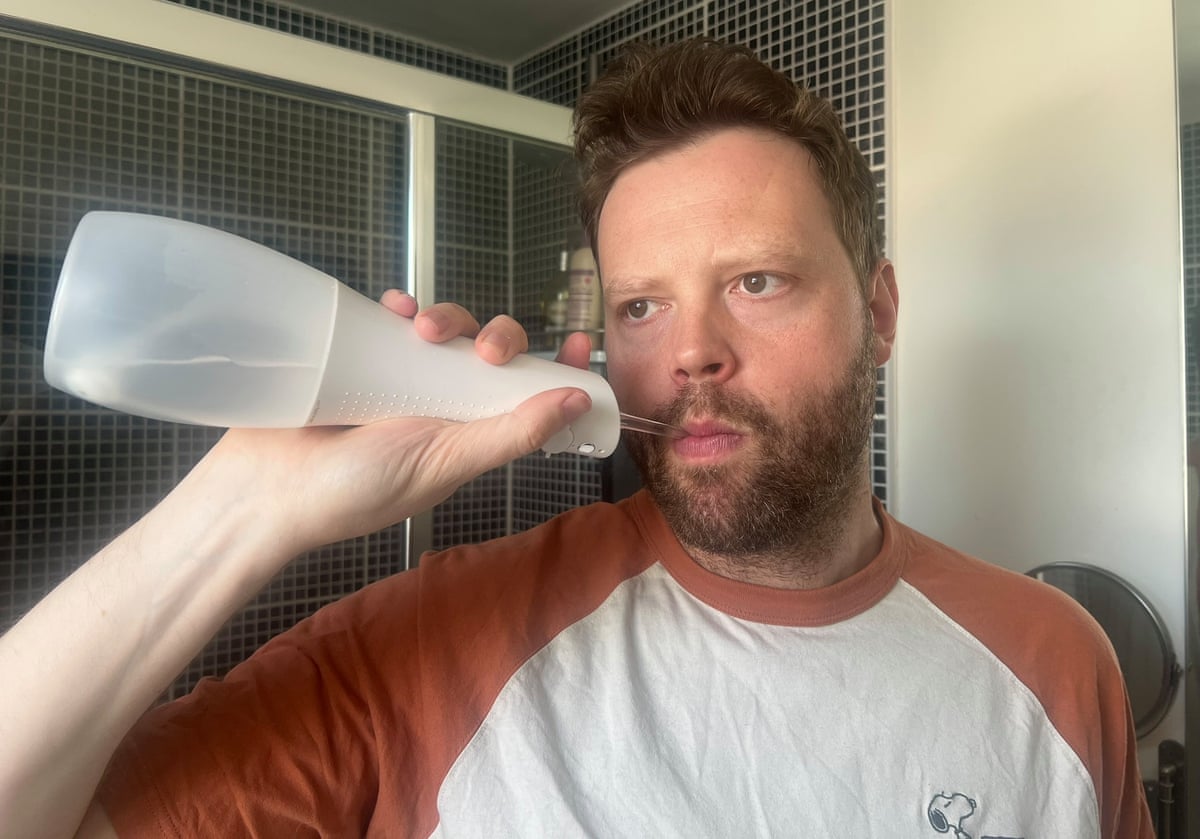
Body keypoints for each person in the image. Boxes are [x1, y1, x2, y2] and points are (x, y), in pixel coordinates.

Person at [0, 38, 1150, 838]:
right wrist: (247, 504)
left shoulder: (1056, 658)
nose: (691, 351)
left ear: (881, 311)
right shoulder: (431, 649)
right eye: (643, 305)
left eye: (756, 280)